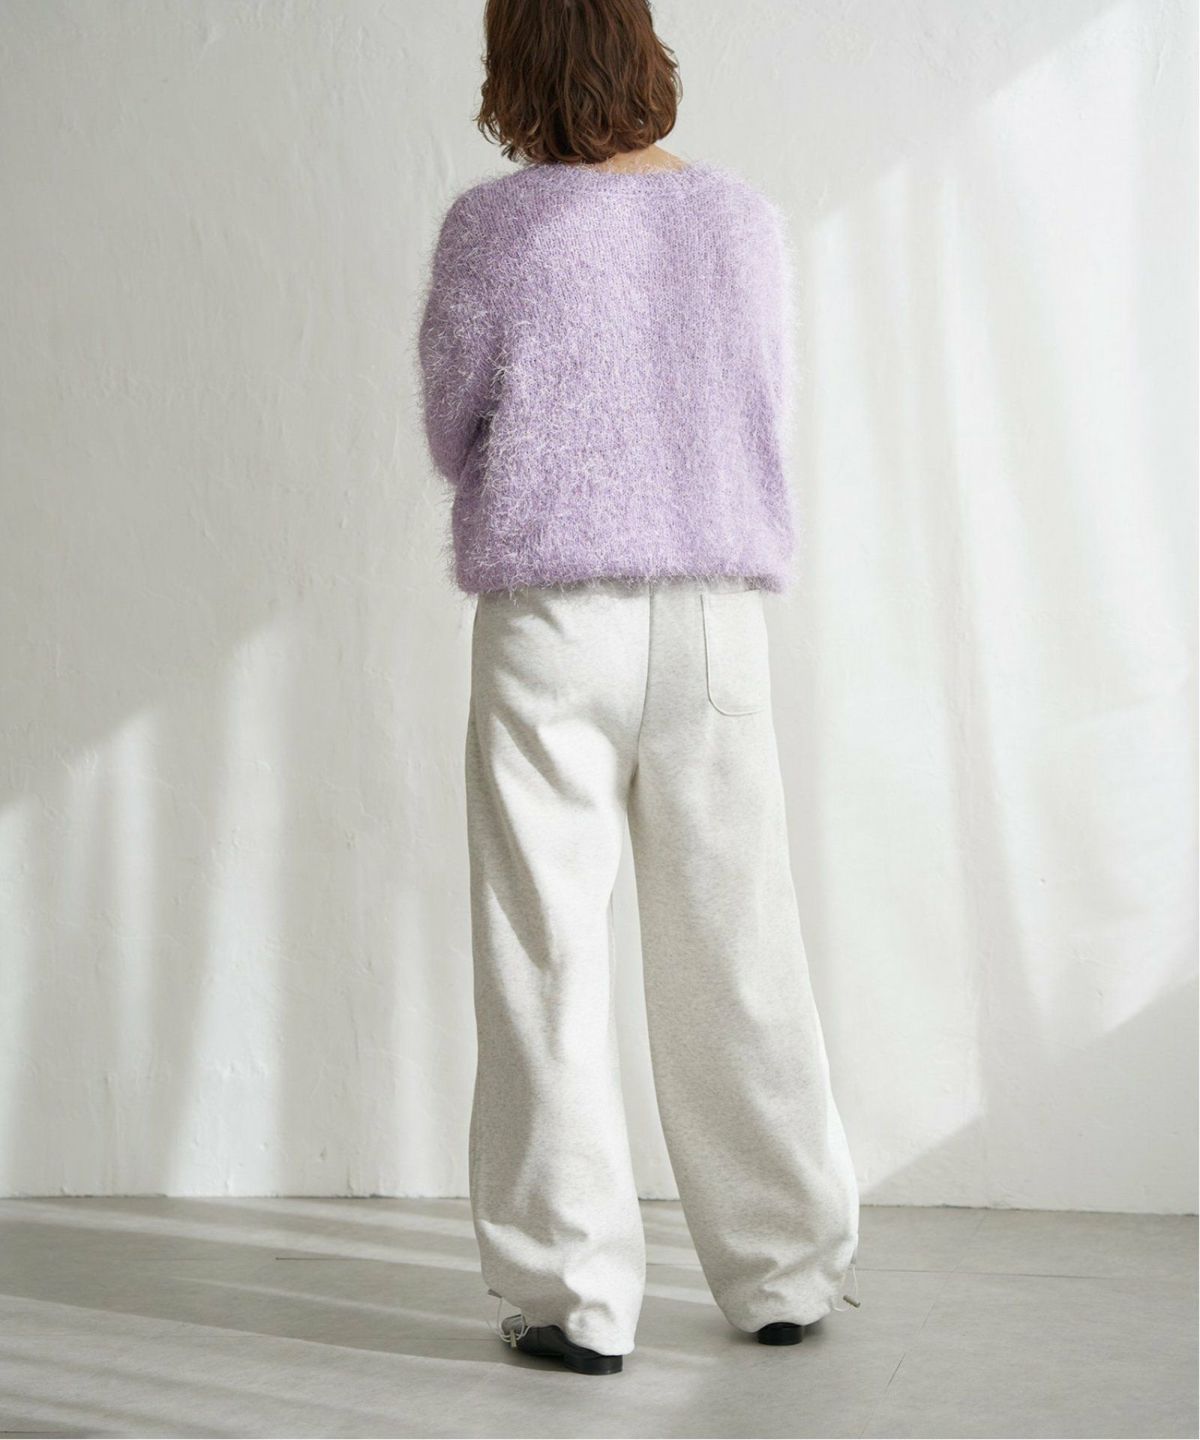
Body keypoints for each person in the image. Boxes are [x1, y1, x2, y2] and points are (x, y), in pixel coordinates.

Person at [416, 0, 859, 1376]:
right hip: (712, 617)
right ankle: (784, 1270)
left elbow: (450, 427)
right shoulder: (739, 221)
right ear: (641, 48)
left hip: (553, 619)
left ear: (516, 64)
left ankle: (572, 1297)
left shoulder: (494, 230)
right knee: (738, 943)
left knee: (543, 953)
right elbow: (760, 410)